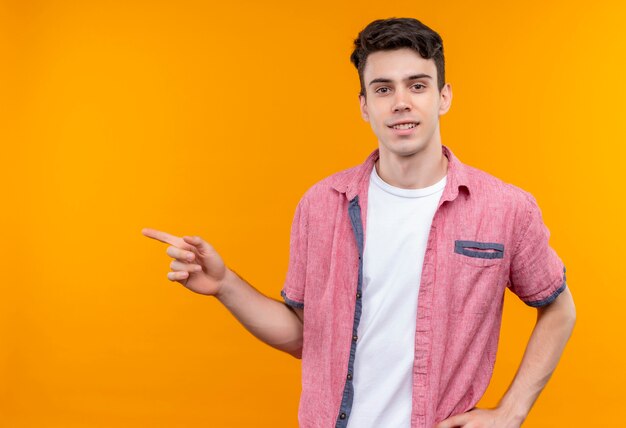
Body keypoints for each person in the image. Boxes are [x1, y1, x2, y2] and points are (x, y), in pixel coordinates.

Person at [142, 17, 576, 428]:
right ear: (365, 106)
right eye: (383, 89)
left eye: (417, 85)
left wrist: (512, 412)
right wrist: (225, 285)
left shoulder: (506, 208)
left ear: (444, 96)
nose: (401, 101)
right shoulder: (322, 204)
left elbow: (558, 307)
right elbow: (303, 337)